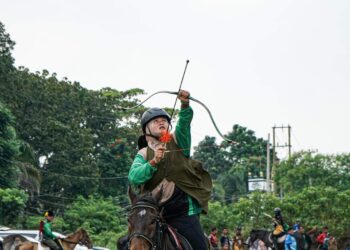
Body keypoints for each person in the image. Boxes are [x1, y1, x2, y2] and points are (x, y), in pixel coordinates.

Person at [128, 89, 212, 250]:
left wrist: (185, 104)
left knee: (200, 245)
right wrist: (153, 163)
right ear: (146, 130)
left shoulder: (178, 141)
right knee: (127, 243)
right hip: (151, 215)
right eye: (155, 121)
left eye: (164, 120)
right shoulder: (144, 153)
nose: (161, 122)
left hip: (183, 213)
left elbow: (184, 123)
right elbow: (134, 178)